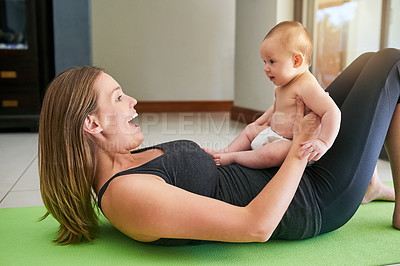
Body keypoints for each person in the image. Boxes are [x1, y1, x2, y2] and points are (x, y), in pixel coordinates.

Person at [39, 48, 400, 246]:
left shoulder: (127, 162)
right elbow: (255, 226)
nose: (132, 101)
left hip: (291, 168)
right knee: (392, 64)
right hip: (315, 197)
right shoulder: (126, 195)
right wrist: (299, 146)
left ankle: (370, 185)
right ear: (92, 124)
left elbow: (215, 177)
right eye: (118, 98)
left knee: (368, 61)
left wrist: (259, 133)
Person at [204, 21, 341, 168]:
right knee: (250, 129)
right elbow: (276, 107)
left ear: (296, 60)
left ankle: (235, 157)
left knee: (271, 153)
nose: (265, 68)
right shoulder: (284, 83)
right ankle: (225, 151)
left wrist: (322, 142)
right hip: (273, 133)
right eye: (264, 62)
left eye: (271, 61)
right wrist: (260, 122)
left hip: (290, 143)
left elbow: (332, 111)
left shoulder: (307, 85)